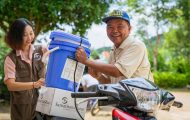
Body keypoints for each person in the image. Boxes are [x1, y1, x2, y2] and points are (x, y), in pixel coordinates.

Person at [75, 9, 154, 84]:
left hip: (140, 97)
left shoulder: (136, 45)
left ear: (129, 29)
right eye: (110, 27)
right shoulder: (113, 50)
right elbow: (109, 81)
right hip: (123, 96)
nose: (115, 30)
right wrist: (98, 76)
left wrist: (86, 61)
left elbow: (117, 71)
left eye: (120, 26)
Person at [4, 18, 45, 120]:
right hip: (20, 112)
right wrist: (34, 84)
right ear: (16, 37)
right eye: (25, 35)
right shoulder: (11, 58)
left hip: (40, 110)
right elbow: (11, 85)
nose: (29, 38)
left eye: (31, 33)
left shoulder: (41, 51)